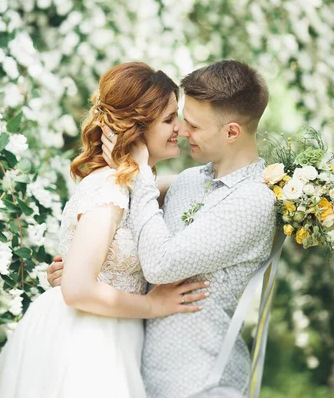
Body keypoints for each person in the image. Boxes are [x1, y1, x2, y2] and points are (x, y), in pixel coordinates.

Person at [0, 62, 209, 398]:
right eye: (169, 119)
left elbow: (200, 185)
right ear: (137, 128)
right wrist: (154, 305)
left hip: (110, 332)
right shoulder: (109, 190)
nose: (180, 128)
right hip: (86, 338)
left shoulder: (136, 187)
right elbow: (77, 290)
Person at [48, 60, 276, 398]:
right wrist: (80, 271)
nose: (183, 131)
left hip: (198, 382)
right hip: (128, 366)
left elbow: (161, 264)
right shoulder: (186, 182)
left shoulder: (253, 201)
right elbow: (121, 215)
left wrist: (139, 176)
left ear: (231, 132)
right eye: (177, 119)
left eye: (193, 125)